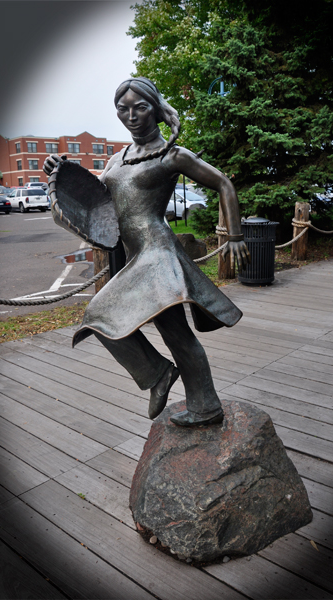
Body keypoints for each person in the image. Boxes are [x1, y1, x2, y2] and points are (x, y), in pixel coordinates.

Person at [44, 77, 249, 427]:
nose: (131, 115)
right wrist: (59, 174)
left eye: (140, 107)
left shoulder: (172, 155)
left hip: (157, 253)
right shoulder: (115, 161)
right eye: (123, 109)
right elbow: (94, 199)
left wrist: (235, 235)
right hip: (134, 256)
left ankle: (166, 381)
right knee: (166, 331)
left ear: (155, 107)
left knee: (100, 313)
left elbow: (223, 183)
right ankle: (188, 394)